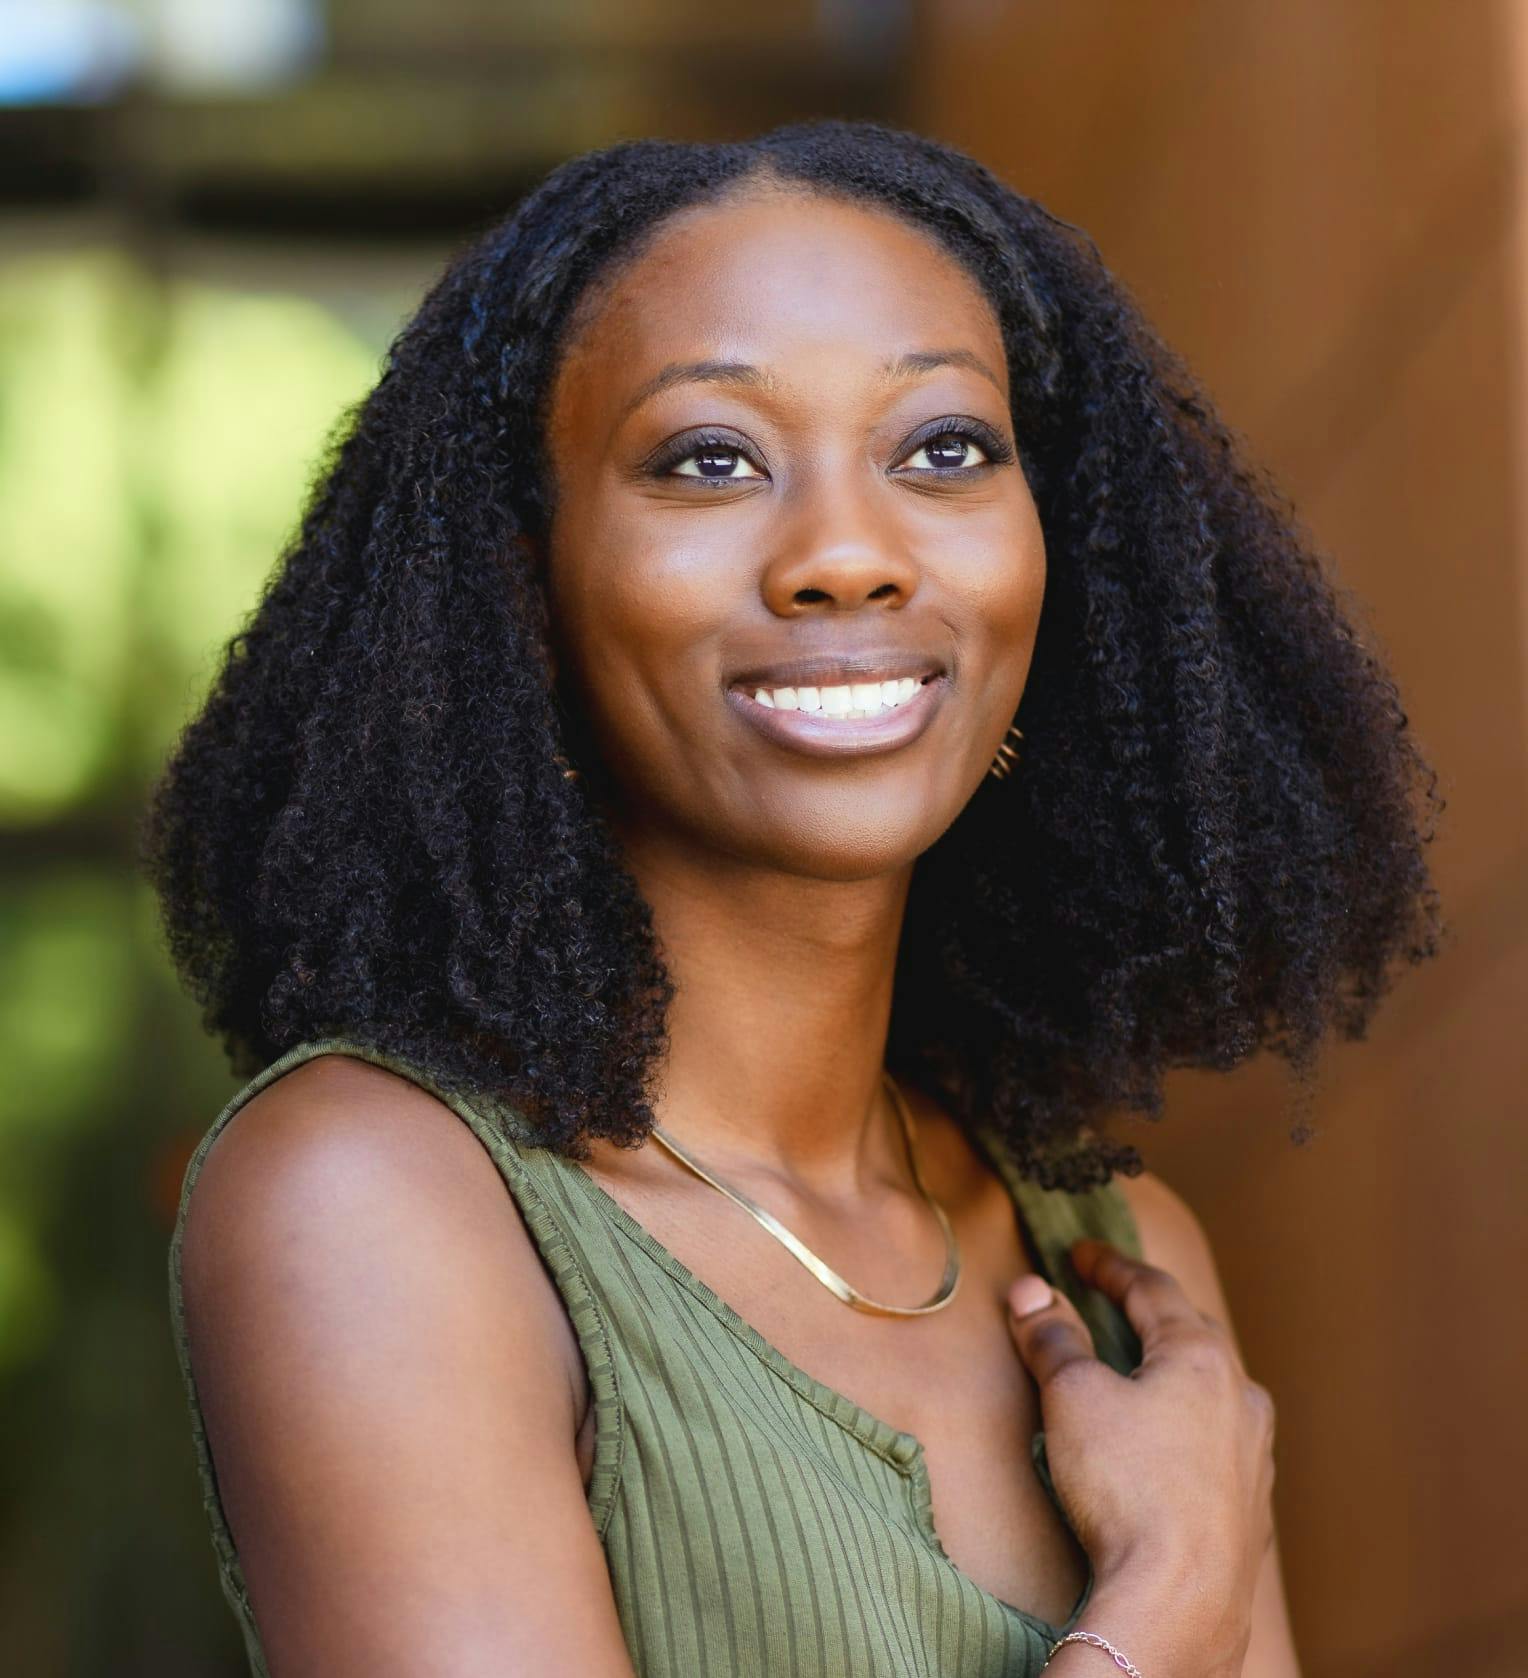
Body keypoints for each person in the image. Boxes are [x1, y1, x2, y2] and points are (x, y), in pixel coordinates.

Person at [145, 119, 1441, 1678]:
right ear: (525, 595)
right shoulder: (374, 1201)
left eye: (943, 447)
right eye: (709, 458)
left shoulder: (1117, 1256)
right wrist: (1162, 1605)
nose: (846, 553)